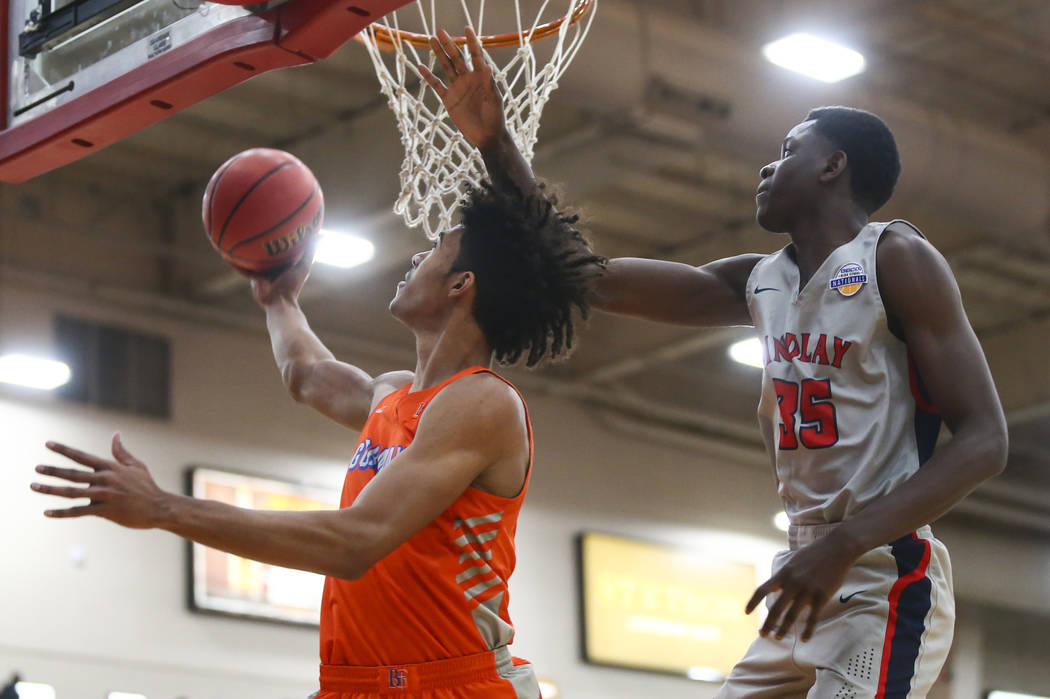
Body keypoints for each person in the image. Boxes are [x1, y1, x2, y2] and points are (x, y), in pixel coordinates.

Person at [423, 28, 1008, 697]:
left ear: (833, 167)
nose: (767, 167)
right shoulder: (760, 280)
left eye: (788, 151)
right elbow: (586, 275)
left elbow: (986, 442)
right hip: (803, 570)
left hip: (886, 571)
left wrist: (846, 543)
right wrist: (495, 142)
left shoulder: (895, 258)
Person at [29, 82, 604, 696]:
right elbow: (307, 375)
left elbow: (356, 540)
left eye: (435, 248)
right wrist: (279, 300)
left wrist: (166, 509)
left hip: (450, 686)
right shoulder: (397, 395)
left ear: (462, 284)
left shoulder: (482, 402)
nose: (416, 256)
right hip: (354, 684)